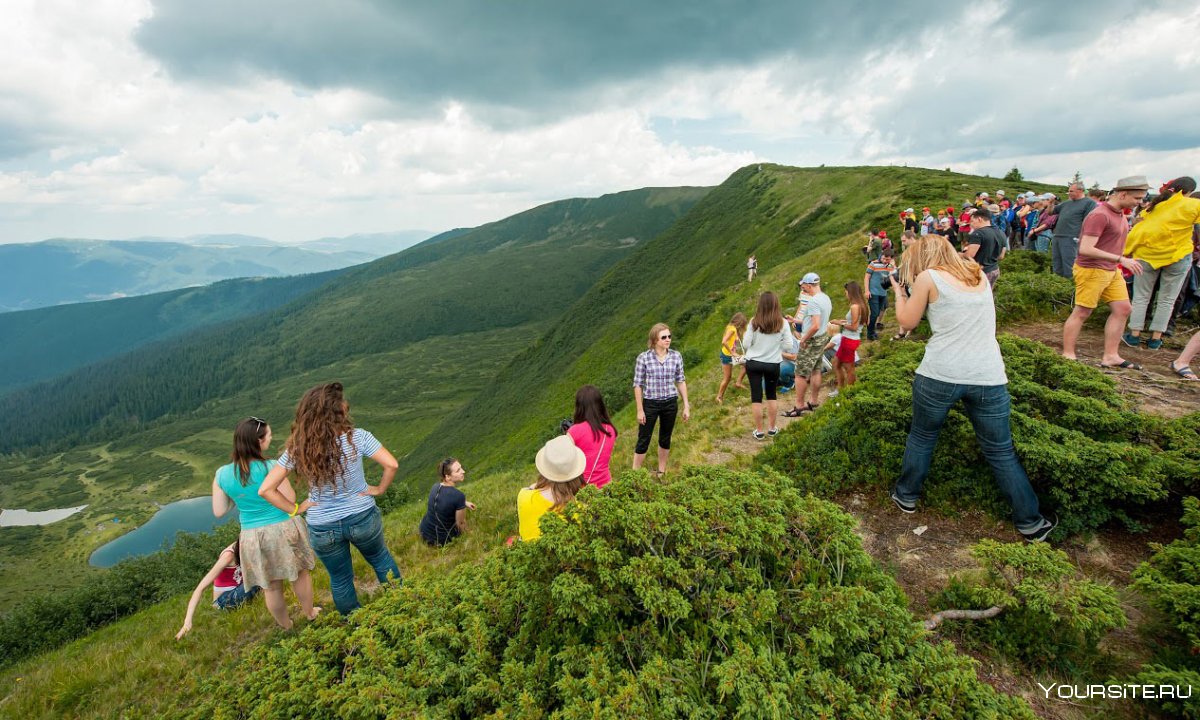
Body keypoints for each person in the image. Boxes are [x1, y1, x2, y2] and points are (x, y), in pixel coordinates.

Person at [888, 235, 1056, 543]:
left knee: (923, 436)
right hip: (988, 374)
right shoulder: (977, 273)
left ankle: (906, 496)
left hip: (941, 373)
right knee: (1000, 450)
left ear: (920, 257)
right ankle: (1031, 521)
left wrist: (900, 293)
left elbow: (907, 321)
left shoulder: (928, 277)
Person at [259, 382, 402, 615]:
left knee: (341, 578)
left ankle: (356, 623)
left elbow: (266, 489)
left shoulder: (299, 448)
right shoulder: (358, 437)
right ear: (337, 411)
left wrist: (295, 509)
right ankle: (402, 605)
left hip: (322, 525)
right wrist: (379, 489)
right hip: (362, 515)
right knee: (380, 558)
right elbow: (392, 464)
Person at [210, 417, 319, 632]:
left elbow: (219, 511)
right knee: (299, 574)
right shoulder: (272, 466)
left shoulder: (222, 474)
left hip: (251, 535)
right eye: (268, 436)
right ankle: (309, 613)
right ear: (258, 441)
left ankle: (286, 625)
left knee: (270, 586)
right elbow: (288, 497)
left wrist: (241, 495)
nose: (271, 439)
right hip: (282, 528)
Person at [1062, 176, 1150, 368]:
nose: (1140, 203)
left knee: (1123, 309)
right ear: (1123, 194)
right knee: (1083, 311)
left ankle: (1111, 356)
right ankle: (1067, 354)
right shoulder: (1099, 215)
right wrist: (1121, 259)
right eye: (1137, 198)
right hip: (1092, 269)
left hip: (1110, 269)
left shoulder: (1119, 214)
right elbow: (1085, 248)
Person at [1122, 177, 1200, 349]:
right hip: (1178, 257)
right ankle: (1156, 338)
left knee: (1141, 297)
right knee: (1167, 299)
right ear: (1188, 192)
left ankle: (1134, 335)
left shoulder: (1153, 207)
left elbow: (1138, 227)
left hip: (1147, 255)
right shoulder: (1192, 205)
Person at [632, 323, 690, 477]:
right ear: (654, 340)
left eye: (669, 336)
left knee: (665, 437)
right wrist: (640, 409)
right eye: (663, 337)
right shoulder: (643, 358)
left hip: (670, 402)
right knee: (644, 438)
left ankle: (661, 471)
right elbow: (638, 385)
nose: (668, 339)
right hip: (650, 403)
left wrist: (686, 405)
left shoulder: (676, 356)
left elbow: (680, 380)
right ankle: (634, 474)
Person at [176, 541, 262, 640]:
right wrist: (187, 623)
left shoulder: (248, 546)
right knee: (260, 578)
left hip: (238, 590)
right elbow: (199, 589)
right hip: (223, 602)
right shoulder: (228, 556)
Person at [742, 291, 793, 439]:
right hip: (772, 363)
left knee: (756, 397)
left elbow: (746, 344)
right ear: (776, 305)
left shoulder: (754, 322)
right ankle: (772, 428)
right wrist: (776, 345)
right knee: (771, 395)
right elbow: (789, 346)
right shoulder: (783, 323)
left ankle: (759, 431)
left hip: (754, 363)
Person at [517, 435, 586, 542]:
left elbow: (531, 488)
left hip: (528, 556)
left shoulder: (523, 497)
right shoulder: (580, 510)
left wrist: (536, 486)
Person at [783, 272, 832, 416]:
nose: (802, 287)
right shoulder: (825, 298)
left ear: (809, 285)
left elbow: (815, 325)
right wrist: (796, 321)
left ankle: (799, 405)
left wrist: (803, 339)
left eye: (804, 285)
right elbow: (817, 321)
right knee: (816, 369)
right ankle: (814, 400)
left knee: (800, 373)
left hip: (811, 340)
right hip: (822, 337)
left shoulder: (813, 302)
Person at [567, 385, 618, 488]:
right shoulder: (610, 430)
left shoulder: (574, 431)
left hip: (583, 488)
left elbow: (567, 463)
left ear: (579, 407)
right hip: (607, 485)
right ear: (600, 405)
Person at [418, 458, 476, 547]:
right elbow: (460, 523)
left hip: (424, 531)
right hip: (441, 540)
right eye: (458, 471)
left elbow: (447, 499)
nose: (463, 471)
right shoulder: (458, 496)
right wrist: (470, 534)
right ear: (448, 476)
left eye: (461, 468)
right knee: (459, 523)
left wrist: (465, 503)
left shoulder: (435, 486)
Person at [1047, 183, 1098, 278]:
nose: (1069, 193)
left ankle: (1070, 288)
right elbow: (1050, 212)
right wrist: (1050, 203)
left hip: (1071, 237)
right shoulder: (1066, 203)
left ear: (1080, 191)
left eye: (1071, 191)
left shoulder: (1089, 203)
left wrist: (1081, 238)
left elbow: (1088, 221)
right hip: (1058, 236)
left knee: (1069, 265)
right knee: (1057, 264)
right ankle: (1057, 285)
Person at [829, 282, 866, 392]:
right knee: (836, 363)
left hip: (850, 340)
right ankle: (841, 388)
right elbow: (857, 322)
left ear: (851, 292)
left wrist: (839, 323)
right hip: (847, 339)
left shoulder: (855, 306)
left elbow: (854, 327)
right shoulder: (861, 305)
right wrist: (844, 321)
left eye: (846, 292)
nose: (845, 294)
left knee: (849, 368)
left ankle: (850, 391)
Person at [964, 207, 1007, 286]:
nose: (971, 224)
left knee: (977, 295)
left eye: (972, 221)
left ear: (979, 219)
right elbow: (1001, 256)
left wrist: (961, 254)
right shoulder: (1001, 233)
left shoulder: (978, 233)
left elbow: (969, 255)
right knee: (989, 295)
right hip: (995, 270)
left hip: (981, 271)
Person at [716, 312, 748, 403]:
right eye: (742, 324)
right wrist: (732, 353)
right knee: (727, 378)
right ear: (739, 322)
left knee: (747, 364)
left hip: (730, 354)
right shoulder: (732, 329)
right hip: (727, 356)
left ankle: (738, 382)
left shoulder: (731, 327)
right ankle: (719, 397)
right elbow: (724, 341)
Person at [864, 249, 895, 341]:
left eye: (888, 259)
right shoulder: (873, 264)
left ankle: (872, 332)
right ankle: (870, 334)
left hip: (883, 293)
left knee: (878, 312)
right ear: (881, 256)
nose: (885, 261)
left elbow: (892, 278)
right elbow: (867, 277)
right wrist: (867, 290)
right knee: (874, 313)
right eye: (884, 258)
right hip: (873, 293)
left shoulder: (890, 266)